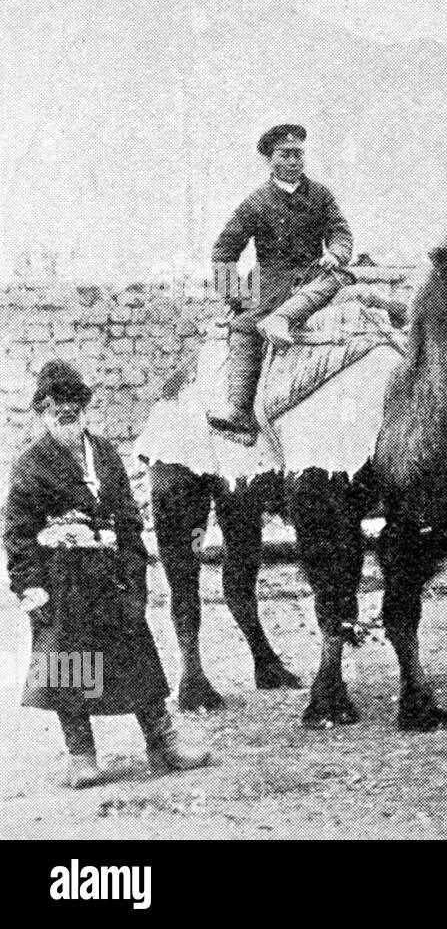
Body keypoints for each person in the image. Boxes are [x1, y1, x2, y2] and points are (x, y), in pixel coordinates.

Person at [5, 361, 211, 788]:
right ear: (42, 412)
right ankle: (81, 755)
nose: (67, 413)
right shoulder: (30, 465)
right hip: (63, 581)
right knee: (70, 666)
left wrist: (137, 577)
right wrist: (31, 587)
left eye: (74, 405)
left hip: (111, 576)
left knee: (137, 656)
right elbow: (17, 535)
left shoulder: (104, 453)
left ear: (84, 408)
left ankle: (163, 744)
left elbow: (130, 523)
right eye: (55, 407)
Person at [207, 124, 354, 440]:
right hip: (271, 280)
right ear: (270, 160)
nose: (293, 162)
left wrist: (336, 253)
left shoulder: (320, 195)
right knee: (245, 327)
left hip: (316, 275)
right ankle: (240, 410)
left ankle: (283, 319)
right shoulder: (256, 203)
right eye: (285, 155)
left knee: (343, 276)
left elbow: (340, 231)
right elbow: (224, 250)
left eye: (298, 155)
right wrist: (236, 297)